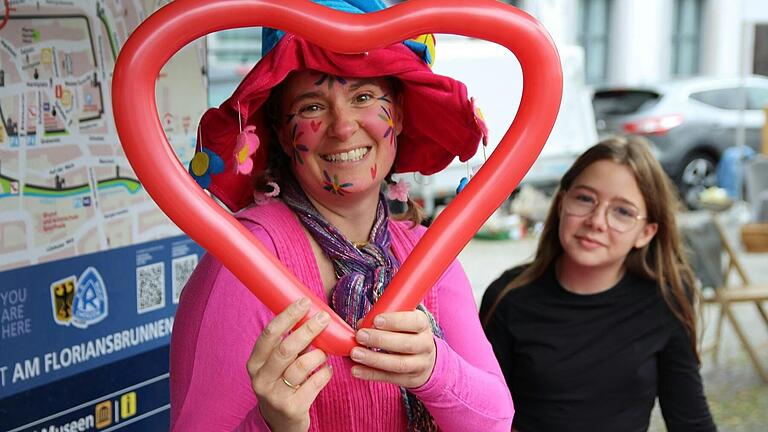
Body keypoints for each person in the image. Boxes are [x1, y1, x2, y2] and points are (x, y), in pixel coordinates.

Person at [170, 1, 513, 431]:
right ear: (280, 131)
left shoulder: (427, 252)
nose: (343, 127)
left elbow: (495, 421)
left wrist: (434, 370)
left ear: (400, 115)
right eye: (313, 106)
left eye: (364, 96)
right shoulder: (244, 263)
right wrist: (275, 426)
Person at [480, 136, 716, 432]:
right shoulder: (508, 297)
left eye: (623, 211)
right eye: (585, 198)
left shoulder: (665, 299)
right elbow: (480, 417)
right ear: (562, 201)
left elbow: (691, 421)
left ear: (646, 232)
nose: (597, 221)